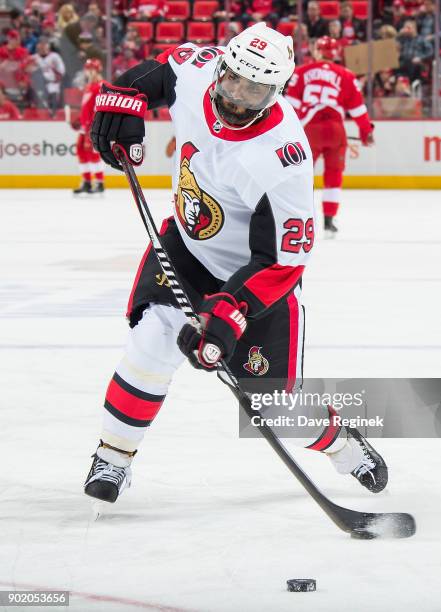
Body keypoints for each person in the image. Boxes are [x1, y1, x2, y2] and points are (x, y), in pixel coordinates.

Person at [83, 23, 387, 504]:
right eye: (232, 81)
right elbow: (152, 73)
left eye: (256, 90)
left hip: (252, 283)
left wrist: (228, 312)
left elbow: (283, 261)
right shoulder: (198, 70)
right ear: (221, 67)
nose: (237, 98)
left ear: (279, 90)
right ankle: (114, 454)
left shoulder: (283, 157)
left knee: (275, 407)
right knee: (149, 346)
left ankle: (344, 444)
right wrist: (121, 103)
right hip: (186, 248)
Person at [286, 36, 374, 236]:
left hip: (310, 129)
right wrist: (366, 131)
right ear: (336, 54)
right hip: (336, 130)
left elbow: (291, 105)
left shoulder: (301, 72)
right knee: (333, 175)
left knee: (302, 174)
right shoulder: (347, 75)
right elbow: (358, 109)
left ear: (317, 50)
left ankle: (300, 217)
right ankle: (329, 220)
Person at [73, 58, 105, 194]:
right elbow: (86, 107)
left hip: (93, 126)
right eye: (87, 69)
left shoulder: (101, 86)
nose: (89, 72)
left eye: (92, 69)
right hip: (84, 125)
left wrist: (94, 125)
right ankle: (86, 181)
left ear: (97, 70)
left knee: (92, 153)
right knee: (80, 150)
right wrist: (79, 120)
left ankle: (99, 182)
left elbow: (99, 108)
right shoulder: (88, 86)